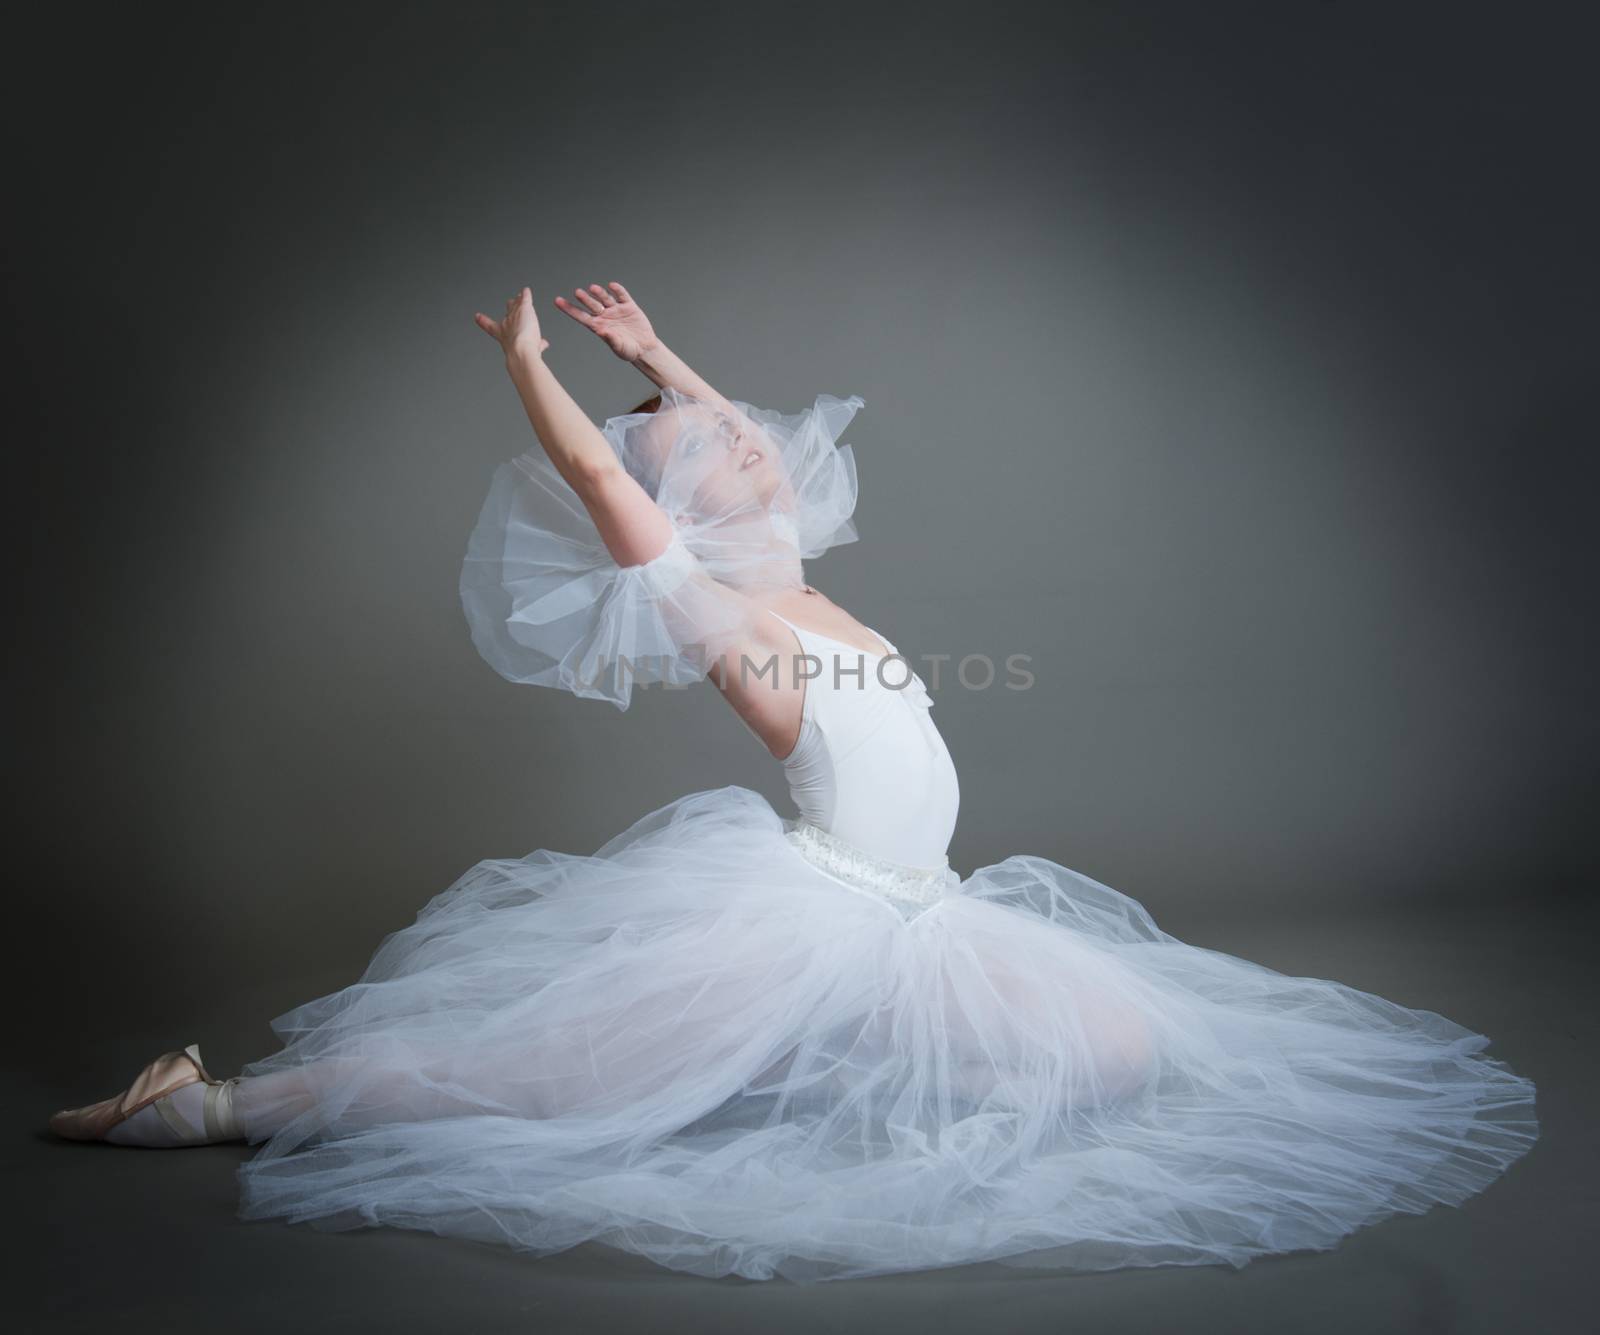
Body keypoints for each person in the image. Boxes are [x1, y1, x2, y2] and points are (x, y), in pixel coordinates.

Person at [48, 280, 1539, 1284]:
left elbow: (745, 454)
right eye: (727, 450)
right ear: (688, 507)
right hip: (803, 915)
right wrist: (534, 369)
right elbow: (609, 487)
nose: (758, 449)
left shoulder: (801, 579)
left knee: (1119, 1053)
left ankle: (803, 1049)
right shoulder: (722, 614)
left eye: (750, 445)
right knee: (529, 1083)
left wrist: (660, 362)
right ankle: (209, 1104)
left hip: (924, 915)